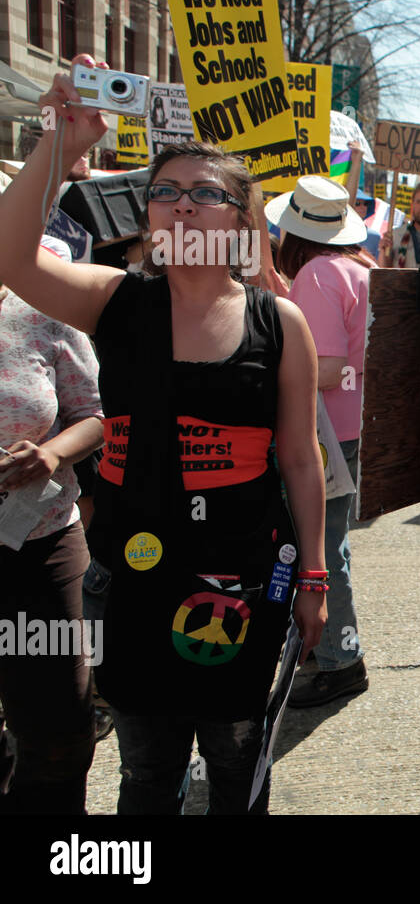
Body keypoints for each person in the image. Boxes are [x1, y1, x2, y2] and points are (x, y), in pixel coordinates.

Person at [0, 54, 327, 814]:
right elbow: (13, 259)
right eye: (165, 192)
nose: (181, 206)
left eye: (204, 193)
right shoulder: (115, 299)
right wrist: (60, 136)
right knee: (145, 777)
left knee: (237, 769)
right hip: (134, 578)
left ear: (241, 218)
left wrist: (314, 576)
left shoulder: (280, 322)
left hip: (242, 581)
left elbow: (301, 462)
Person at [268, 177, 374, 707]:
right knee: (330, 541)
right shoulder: (361, 268)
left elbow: (326, 368)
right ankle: (328, 647)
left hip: (324, 431)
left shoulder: (318, 273)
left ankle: (340, 660)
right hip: (353, 427)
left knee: (323, 547)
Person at [0, 274, 103, 814]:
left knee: (59, 726)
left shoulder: (44, 311)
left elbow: (95, 414)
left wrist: (52, 454)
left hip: (41, 542)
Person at [380, 182, 420, 269]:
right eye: (419, 202)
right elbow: (383, 272)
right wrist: (383, 251)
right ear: (412, 205)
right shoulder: (395, 236)